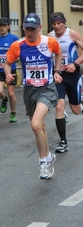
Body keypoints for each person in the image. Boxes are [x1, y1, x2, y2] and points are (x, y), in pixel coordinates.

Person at [4, 13, 63, 179]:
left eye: (33, 28)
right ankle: (49, 156)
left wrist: (57, 71)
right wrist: (8, 75)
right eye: (27, 28)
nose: (30, 32)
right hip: (30, 90)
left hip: (47, 88)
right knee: (40, 127)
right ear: (23, 28)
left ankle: (43, 162)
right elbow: (7, 63)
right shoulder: (18, 45)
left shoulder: (49, 42)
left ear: (40, 28)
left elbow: (58, 53)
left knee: (36, 125)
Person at [48, 12, 83, 153]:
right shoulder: (49, 37)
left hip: (73, 74)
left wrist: (75, 63)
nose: (56, 26)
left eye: (59, 23)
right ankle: (63, 142)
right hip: (58, 76)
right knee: (59, 106)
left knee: (75, 110)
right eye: (54, 24)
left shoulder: (72, 34)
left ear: (64, 23)